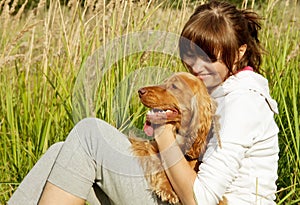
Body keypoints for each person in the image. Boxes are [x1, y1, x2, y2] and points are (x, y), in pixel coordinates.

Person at [8, 1, 279, 205]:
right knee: (63, 153)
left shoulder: (242, 103)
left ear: (240, 50)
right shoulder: (224, 91)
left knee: (89, 134)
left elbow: (201, 199)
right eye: (190, 55)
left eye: (208, 57)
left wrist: (162, 134)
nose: (197, 66)